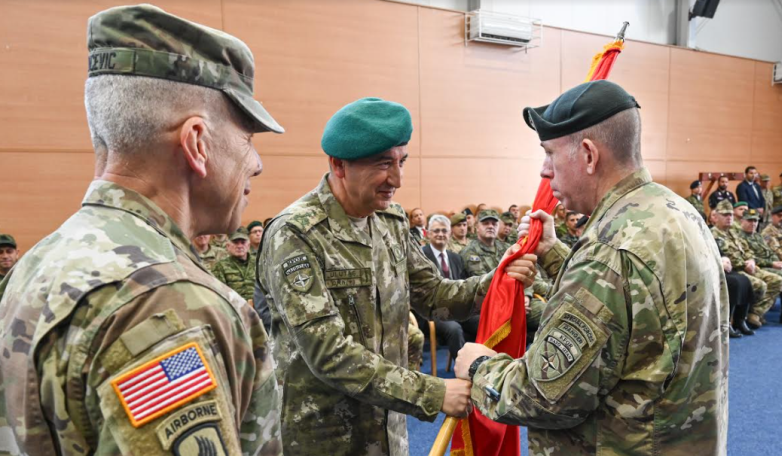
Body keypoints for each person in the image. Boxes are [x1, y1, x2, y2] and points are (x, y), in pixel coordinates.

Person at [0, 5, 283, 455]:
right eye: (247, 139)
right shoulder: (170, 305)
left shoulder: (39, 262)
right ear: (197, 143)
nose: (257, 163)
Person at [455, 80, 728, 455]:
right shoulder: (674, 210)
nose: (544, 171)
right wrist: (554, 251)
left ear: (588, 155)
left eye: (550, 154)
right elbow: (635, 310)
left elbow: (545, 397)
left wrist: (480, 367)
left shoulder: (608, 251)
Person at [256, 97, 538, 456]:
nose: (397, 179)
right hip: (325, 437)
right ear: (339, 165)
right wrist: (433, 392)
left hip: (388, 430)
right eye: (383, 164)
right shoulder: (295, 233)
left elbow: (433, 296)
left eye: (401, 161)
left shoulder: (390, 222)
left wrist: (498, 282)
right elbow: (327, 352)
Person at [712, 200, 782, 328]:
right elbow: (723, 257)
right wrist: (744, 265)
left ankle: (753, 313)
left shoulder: (734, 233)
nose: (729, 217)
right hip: (734, 270)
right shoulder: (713, 235)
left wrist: (751, 260)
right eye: (725, 215)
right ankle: (739, 317)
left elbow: (747, 249)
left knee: (777, 280)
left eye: (730, 215)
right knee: (759, 285)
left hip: (747, 266)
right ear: (716, 217)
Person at [416, 214, 471, 363]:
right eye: (436, 231)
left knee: (481, 321)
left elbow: (465, 285)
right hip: (432, 311)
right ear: (428, 234)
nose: (440, 234)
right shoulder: (420, 256)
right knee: (454, 329)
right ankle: (464, 369)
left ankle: (485, 365)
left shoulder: (456, 258)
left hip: (457, 308)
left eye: (444, 230)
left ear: (450, 233)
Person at [739, 208, 782, 325]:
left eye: (755, 221)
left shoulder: (757, 236)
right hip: (758, 267)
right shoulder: (740, 237)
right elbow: (749, 258)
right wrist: (771, 263)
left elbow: (770, 252)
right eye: (749, 221)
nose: (753, 224)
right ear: (742, 221)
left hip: (770, 265)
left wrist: (777, 262)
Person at [212, 227, 257, 301]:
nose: (239, 246)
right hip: (233, 306)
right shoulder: (220, 266)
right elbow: (219, 293)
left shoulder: (258, 263)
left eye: (243, 242)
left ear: (248, 246)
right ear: (228, 246)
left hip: (259, 306)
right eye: (235, 242)